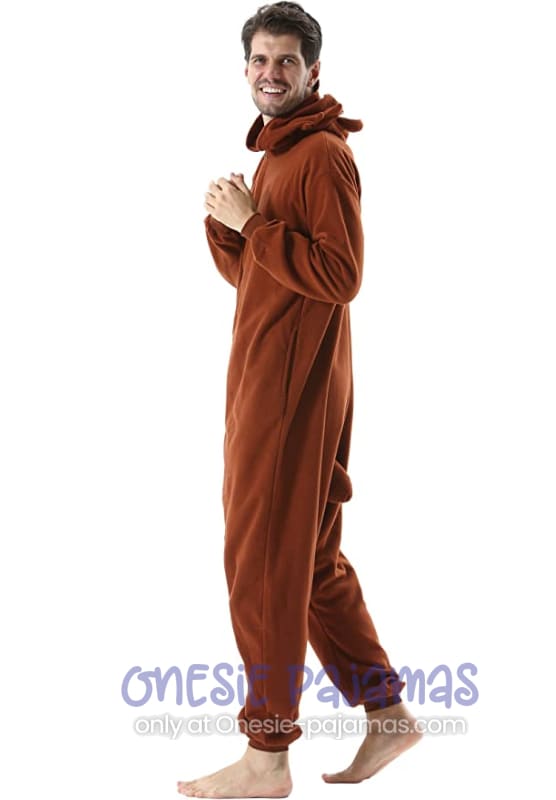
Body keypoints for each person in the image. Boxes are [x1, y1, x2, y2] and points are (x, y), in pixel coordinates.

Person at [178, 3, 421, 796]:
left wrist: (253, 223)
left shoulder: (319, 154)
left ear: (314, 70)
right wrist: (230, 230)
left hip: (287, 396)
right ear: (245, 69)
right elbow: (274, 282)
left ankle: (266, 756)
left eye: (286, 60)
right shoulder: (281, 153)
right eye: (260, 60)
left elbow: (341, 277)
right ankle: (387, 713)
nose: (271, 73)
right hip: (275, 382)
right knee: (308, 563)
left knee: (260, 563)